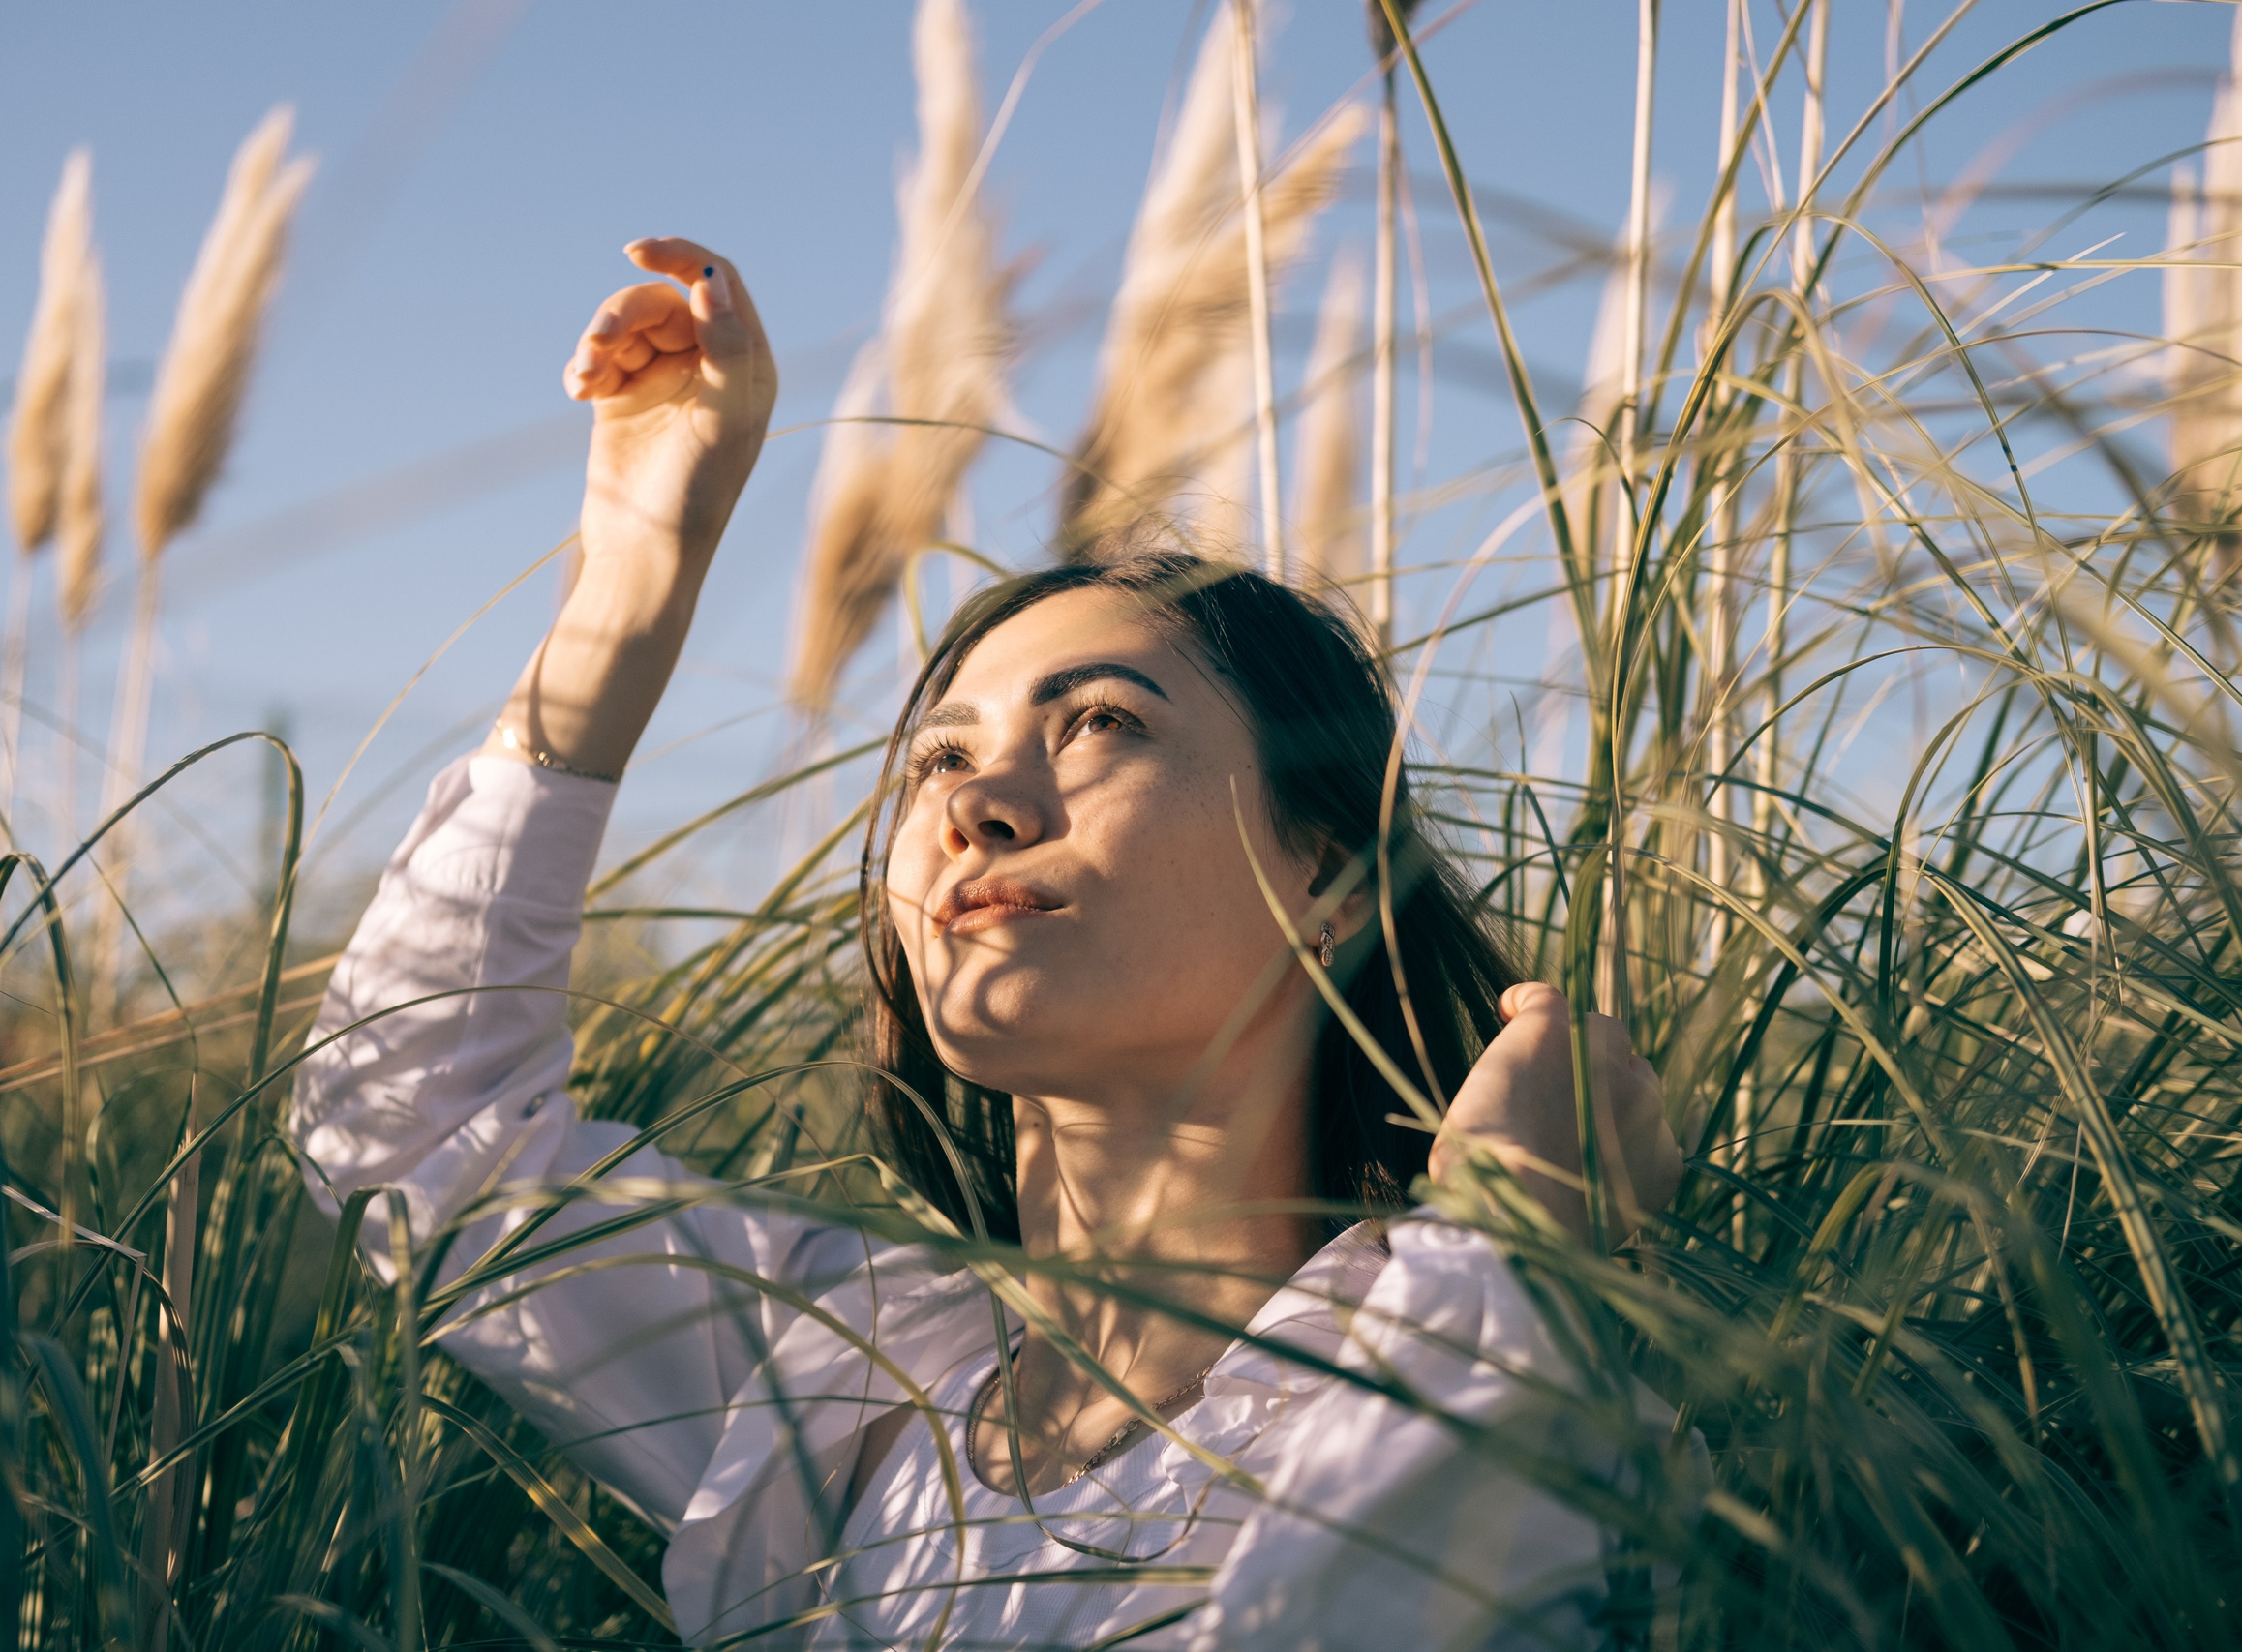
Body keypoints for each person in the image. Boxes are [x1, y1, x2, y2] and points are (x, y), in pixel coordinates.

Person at [289, 238, 1688, 1650]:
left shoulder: (1481, 1364)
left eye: (1102, 724)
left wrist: (1513, 1252)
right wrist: (627, 587)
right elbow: (413, 1130)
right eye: (940, 758)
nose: (977, 805)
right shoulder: (852, 1383)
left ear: (1326, 872)